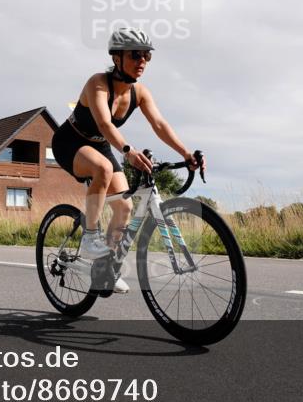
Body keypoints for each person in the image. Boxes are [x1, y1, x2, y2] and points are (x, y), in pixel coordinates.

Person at [50, 28, 204, 293]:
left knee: (125, 207)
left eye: (146, 56)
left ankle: (103, 269)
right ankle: (89, 238)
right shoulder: (97, 83)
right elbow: (104, 123)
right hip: (70, 142)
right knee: (103, 168)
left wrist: (186, 154)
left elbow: (159, 124)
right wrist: (128, 151)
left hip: (101, 145)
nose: (142, 61)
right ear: (117, 58)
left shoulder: (140, 93)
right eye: (135, 55)